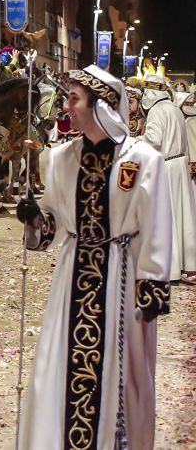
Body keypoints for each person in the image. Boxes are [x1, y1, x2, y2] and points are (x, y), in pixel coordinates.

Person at [16, 65, 171, 450]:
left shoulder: (143, 160)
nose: (66, 106)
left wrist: (151, 284)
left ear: (101, 106)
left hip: (122, 277)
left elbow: (156, 225)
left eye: (74, 99)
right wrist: (35, 220)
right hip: (72, 280)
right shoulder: (58, 160)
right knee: (58, 369)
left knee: (126, 375)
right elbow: (53, 228)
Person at [137, 73, 196, 280]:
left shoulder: (156, 111)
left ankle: (168, 268)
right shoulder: (174, 109)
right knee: (183, 216)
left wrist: (136, 141)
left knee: (166, 216)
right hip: (180, 164)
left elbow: (154, 140)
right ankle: (186, 264)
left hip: (167, 166)